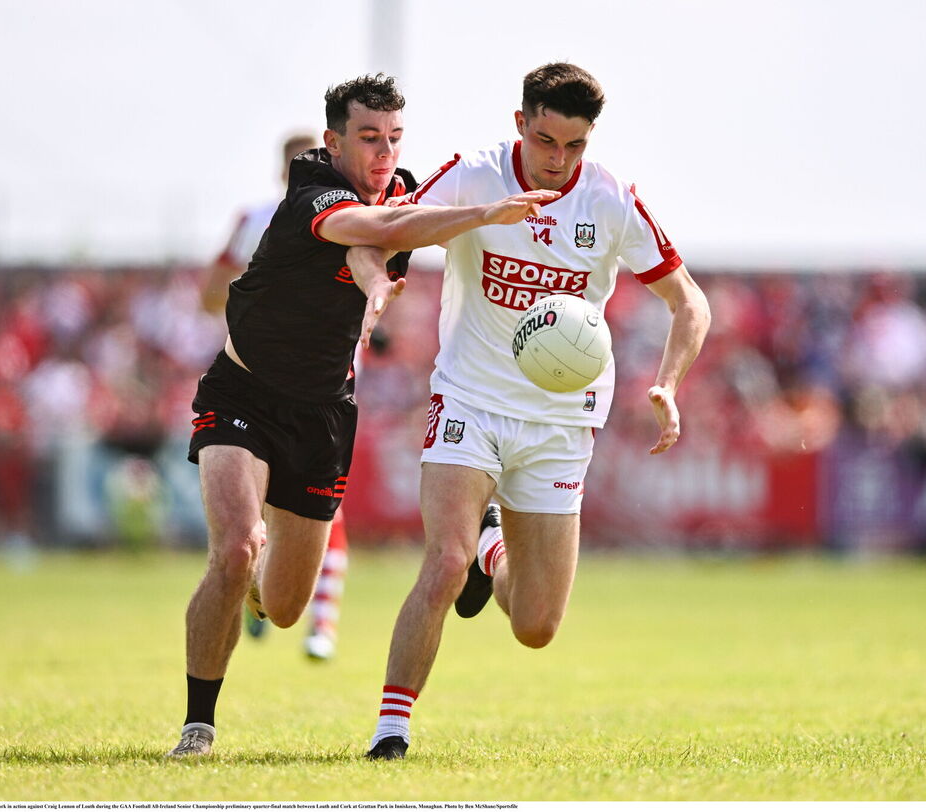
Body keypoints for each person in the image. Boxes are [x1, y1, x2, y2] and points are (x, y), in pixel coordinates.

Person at [167, 73, 559, 758]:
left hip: (323, 414)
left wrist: (378, 279)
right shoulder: (311, 186)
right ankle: (198, 726)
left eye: (394, 138)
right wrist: (486, 213)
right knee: (234, 548)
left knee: (283, 607)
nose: (384, 152)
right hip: (244, 393)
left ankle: (256, 583)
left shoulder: (398, 189)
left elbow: (373, 244)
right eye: (370, 137)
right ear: (334, 141)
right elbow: (371, 230)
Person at [362, 63, 712, 760]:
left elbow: (689, 302)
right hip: (471, 398)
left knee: (536, 626)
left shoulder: (610, 199)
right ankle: (390, 732)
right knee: (444, 561)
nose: (559, 160)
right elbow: (388, 229)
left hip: (560, 421)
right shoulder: (475, 174)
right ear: (520, 123)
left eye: (575, 145)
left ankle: (492, 548)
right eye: (547, 141)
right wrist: (387, 275)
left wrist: (669, 384)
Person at [201, 132, 349, 660]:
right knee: (262, 510)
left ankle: (319, 624)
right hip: (261, 380)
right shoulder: (261, 219)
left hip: (320, 383)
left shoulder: (348, 215)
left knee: (324, 504)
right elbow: (209, 295)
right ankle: (270, 591)